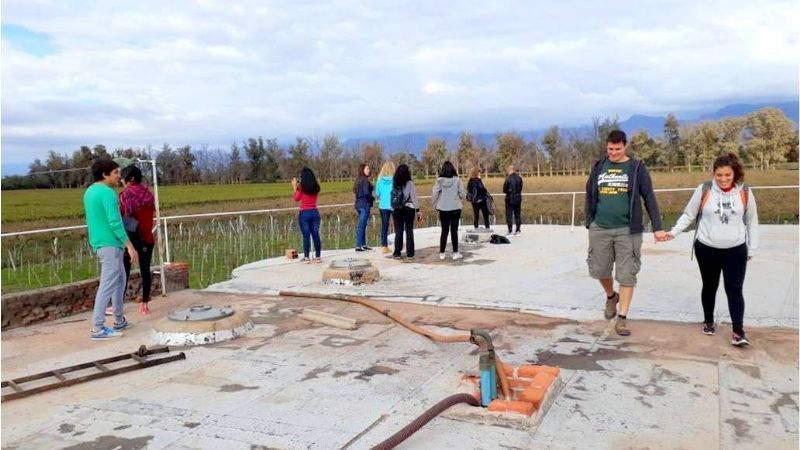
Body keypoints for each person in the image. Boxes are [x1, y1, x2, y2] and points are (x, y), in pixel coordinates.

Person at [664, 153, 758, 347]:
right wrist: (673, 233)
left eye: (727, 175)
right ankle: (708, 321)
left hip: (736, 249)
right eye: (719, 175)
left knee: (735, 289)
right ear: (714, 174)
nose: (723, 179)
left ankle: (738, 332)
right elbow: (689, 215)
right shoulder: (704, 189)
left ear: (735, 174)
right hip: (707, 248)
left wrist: (752, 248)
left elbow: (752, 221)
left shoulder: (745, 191)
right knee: (710, 285)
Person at [585, 130, 665, 336]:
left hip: (628, 231)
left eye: (617, 149)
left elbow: (649, 197)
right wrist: (590, 221)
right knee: (599, 270)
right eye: (610, 149)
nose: (613, 153)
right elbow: (589, 194)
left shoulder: (636, 168)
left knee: (627, 274)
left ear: (625, 146)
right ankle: (611, 296)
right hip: (600, 228)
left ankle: (622, 318)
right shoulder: (599, 166)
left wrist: (657, 227)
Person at [84, 159, 138, 340]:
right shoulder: (108, 194)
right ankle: (98, 328)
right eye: (115, 172)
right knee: (107, 285)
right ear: (105, 174)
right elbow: (115, 222)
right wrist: (129, 246)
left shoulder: (90, 192)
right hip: (110, 245)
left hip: (101, 242)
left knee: (120, 281)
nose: (118, 176)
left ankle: (119, 319)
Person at [119, 165, 155, 316]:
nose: (122, 181)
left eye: (123, 178)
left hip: (131, 240)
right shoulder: (149, 195)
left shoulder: (125, 196)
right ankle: (145, 304)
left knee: (124, 272)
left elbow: (120, 217)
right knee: (145, 271)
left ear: (130, 179)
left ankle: (117, 304)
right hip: (147, 238)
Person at [432, 161, 464, 261]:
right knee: (454, 231)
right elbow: (462, 194)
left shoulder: (439, 181)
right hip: (455, 208)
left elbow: (435, 194)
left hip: (443, 208)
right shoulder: (458, 180)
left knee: (444, 231)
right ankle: (455, 253)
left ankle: (442, 253)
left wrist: (435, 204)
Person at [292, 167, 322, 263]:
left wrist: (294, 187)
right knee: (316, 235)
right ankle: (318, 257)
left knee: (306, 236)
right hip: (314, 212)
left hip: (304, 213)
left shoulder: (302, 187)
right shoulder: (316, 186)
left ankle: (306, 257)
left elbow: (297, 198)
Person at [391, 164, 421, 260]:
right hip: (409, 208)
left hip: (397, 209)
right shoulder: (410, 183)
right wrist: (418, 210)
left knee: (398, 231)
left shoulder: (394, 182)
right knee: (409, 231)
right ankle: (410, 253)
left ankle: (397, 252)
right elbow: (414, 197)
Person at [374, 161, 396, 253]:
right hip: (393, 205)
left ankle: (384, 246)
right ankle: (399, 243)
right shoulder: (395, 179)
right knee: (398, 225)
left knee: (384, 226)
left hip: (383, 205)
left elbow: (377, 193)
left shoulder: (379, 180)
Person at [353, 163, 374, 251]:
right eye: (367, 169)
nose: (369, 170)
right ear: (363, 170)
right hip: (364, 205)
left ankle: (363, 244)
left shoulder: (358, 180)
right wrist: (372, 197)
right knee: (362, 225)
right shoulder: (365, 180)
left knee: (363, 224)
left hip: (359, 204)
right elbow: (366, 193)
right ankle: (358, 245)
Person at [502, 165, 523, 235]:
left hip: (509, 199)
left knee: (509, 215)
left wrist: (508, 191)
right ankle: (518, 229)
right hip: (518, 198)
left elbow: (504, 189)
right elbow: (520, 188)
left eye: (508, 170)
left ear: (510, 170)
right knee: (517, 214)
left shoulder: (508, 179)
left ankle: (510, 229)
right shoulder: (519, 178)